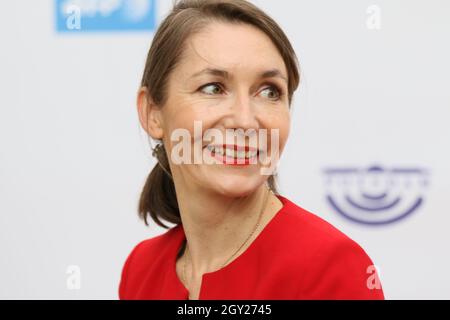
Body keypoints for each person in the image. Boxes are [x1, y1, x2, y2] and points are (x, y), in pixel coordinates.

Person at [119, 0, 385, 300]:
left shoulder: (331, 267)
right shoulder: (141, 269)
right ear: (153, 113)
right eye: (213, 88)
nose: (245, 120)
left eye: (269, 91)